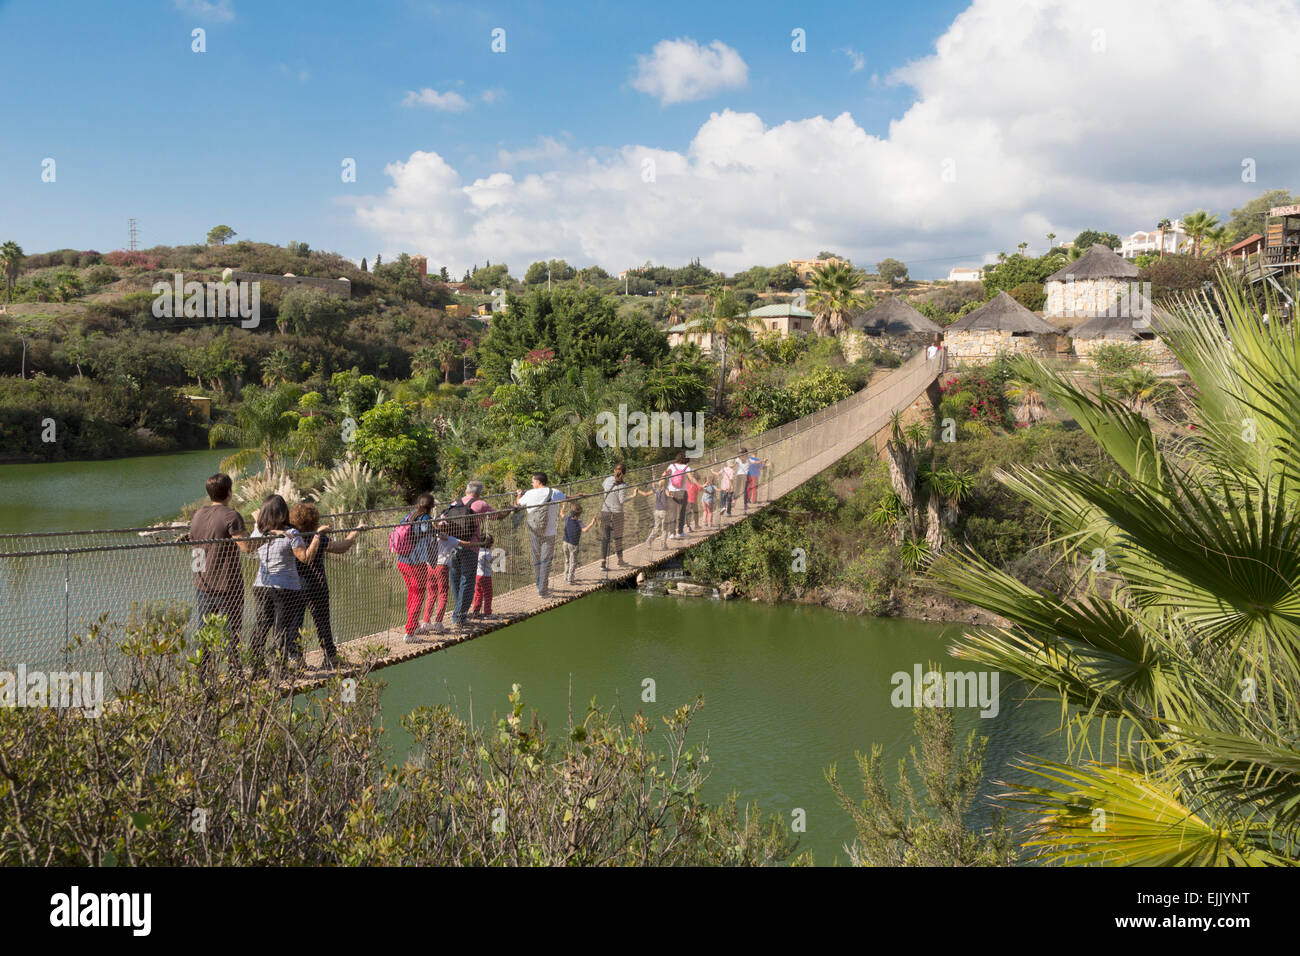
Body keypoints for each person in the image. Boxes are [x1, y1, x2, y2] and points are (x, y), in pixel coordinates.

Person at [189, 473, 256, 671]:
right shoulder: (231, 515)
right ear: (229, 492)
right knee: (232, 634)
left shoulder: (198, 514)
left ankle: (202, 675)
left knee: (205, 635)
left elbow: (195, 544)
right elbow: (247, 548)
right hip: (229, 587)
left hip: (202, 584)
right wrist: (264, 534)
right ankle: (235, 676)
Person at [248, 494, 324, 669]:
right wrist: (317, 537)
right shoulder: (291, 533)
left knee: (261, 626)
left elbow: (249, 546)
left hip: (261, 584)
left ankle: (256, 666)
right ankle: (279, 669)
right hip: (287, 589)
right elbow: (305, 558)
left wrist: (259, 522)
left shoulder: (258, 532)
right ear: (283, 513)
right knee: (281, 629)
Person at [289, 503, 362, 670]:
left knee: (295, 623)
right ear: (314, 520)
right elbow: (342, 547)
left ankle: (296, 660)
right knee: (322, 623)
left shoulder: (292, 537)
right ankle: (330, 657)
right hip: (317, 585)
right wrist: (356, 531)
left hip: (295, 586)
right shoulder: (318, 537)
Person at [443, 481, 496, 628]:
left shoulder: (455, 503)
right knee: (467, 581)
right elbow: (497, 516)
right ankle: (459, 616)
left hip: (453, 546)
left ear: (466, 490)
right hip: (471, 548)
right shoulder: (480, 504)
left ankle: (459, 611)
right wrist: (511, 509)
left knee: (455, 578)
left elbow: (441, 520)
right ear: (479, 493)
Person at [395, 493, 436, 644]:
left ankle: (413, 625)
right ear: (431, 507)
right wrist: (438, 528)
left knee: (412, 593)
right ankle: (410, 632)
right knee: (419, 595)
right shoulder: (426, 519)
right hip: (416, 563)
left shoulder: (408, 515)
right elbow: (427, 531)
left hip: (402, 561)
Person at [516, 472, 566, 597]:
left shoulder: (529, 494)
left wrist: (518, 495)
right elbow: (566, 498)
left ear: (538, 482)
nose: (531, 483)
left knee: (537, 559)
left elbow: (518, 504)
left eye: (532, 481)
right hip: (549, 533)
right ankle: (543, 591)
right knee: (546, 561)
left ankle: (539, 585)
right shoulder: (554, 492)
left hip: (534, 532)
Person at [419, 521, 462, 635]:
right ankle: (438, 622)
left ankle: (426, 622)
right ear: (448, 528)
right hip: (442, 567)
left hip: (430, 567)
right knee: (443, 594)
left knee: (431, 594)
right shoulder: (451, 539)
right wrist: (479, 543)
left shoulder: (431, 537)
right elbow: (465, 543)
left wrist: (434, 525)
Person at [598, 463, 631, 571]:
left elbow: (604, 490)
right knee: (618, 537)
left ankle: (603, 563)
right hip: (617, 513)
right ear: (624, 473)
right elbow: (622, 500)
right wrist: (632, 496)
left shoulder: (607, 480)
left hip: (605, 511)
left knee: (605, 538)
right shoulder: (623, 485)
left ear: (614, 471)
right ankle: (620, 560)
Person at [663, 452, 691, 539]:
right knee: (682, 513)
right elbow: (691, 478)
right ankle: (680, 532)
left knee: (672, 513)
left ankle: (672, 533)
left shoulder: (671, 466)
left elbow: (664, 474)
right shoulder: (687, 467)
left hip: (671, 492)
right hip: (682, 492)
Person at [471, 533, 495, 618]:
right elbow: (491, 561)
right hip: (486, 576)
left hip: (477, 576)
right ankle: (487, 612)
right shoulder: (487, 552)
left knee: (478, 593)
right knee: (488, 594)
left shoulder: (477, 550)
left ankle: (475, 611)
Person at [644, 478, 670, 551]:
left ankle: (649, 541)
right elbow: (668, 494)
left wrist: (638, 490)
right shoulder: (665, 489)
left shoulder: (656, 490)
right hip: (664, 511)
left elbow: (646, 494)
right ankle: (663, 545)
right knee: (664, 529)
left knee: (656, 528)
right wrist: (671, 495)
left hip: (656, 511)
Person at [734, 448, 752, 513]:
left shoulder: (738, 459)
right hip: (744, 475)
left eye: (740, 453)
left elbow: (733, 465)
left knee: (737, 489)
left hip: (739, 475)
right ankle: (745, 505)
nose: (739, 454)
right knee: (745, 490)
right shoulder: (748, 459)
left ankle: (734, 501)